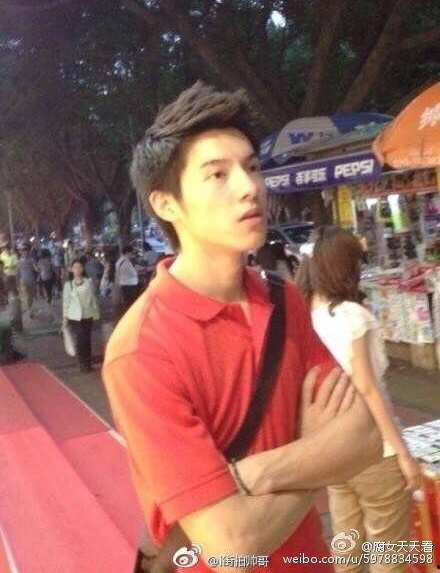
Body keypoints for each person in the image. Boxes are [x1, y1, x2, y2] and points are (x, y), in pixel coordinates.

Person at [102, 82, 382, 572]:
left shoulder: (283, 298)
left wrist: (253, 473)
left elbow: (364, 439)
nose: (249, 187)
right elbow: (233, 547)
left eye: (252, 167)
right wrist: (315, 454)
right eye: (217, 174)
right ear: (166, 204)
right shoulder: (142, 350)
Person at [296, 226, 420, 573]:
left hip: (335, 450)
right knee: (389, 553)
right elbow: (368, 387)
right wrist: (403, 453)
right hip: (375, 449)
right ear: (346, 266)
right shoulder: (352, 316)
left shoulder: (307, 317)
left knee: (347, 546)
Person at [63, 259, 100, 373]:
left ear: (82, 269)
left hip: (88, 314)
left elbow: (93, 298)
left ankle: (88, 363)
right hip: (75, 317)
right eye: (75, 267)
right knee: (80, 339)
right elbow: (66, 302)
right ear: (71, 270)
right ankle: (82, 363)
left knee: (87, 339)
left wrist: (96, 313)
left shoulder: (88, 282)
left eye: (79, 267)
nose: (77, 270)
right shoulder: (68, 285)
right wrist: (65, 318)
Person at [114, 245, 139, 318]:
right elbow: (134, 273)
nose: (132, 255)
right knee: (131, 302)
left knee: (126, 301)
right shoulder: (126, 262)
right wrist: (137, 269)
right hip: (130, 285)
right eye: (132, 253)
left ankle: (127, 316)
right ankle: (131, 316)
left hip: (123, 284)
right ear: (128, 252)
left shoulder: (119, 261)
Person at [17, 247, 37, 318]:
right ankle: (30, 311)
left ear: (28, 253)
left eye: (26, 252)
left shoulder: (31, 261)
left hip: (31, 281)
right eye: (24, 252)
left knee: (31, 297)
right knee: (27, 297)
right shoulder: (19, 262)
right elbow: (18, 273)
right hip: (23, 282)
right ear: (21, 253)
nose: (25, 254)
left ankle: (30, 308)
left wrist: (36, 266)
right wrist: (18, 284)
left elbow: (36, 269)